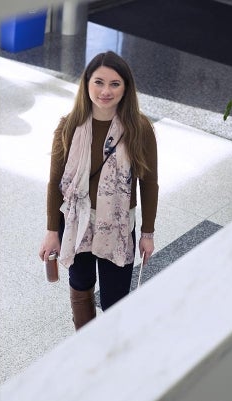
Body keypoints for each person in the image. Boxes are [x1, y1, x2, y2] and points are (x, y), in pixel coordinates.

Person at [38, 51, 159, 331]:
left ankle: (110, 349)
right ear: (87, 83)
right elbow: (55, 182)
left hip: (117, 226)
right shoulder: (69, 127)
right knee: (80, 286)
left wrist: (147, 234)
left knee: (115, 297)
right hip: (77, 221)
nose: (106, 91)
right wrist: (51, 231)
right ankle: (85, 344)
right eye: (99, 82)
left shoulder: (139, 128)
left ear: (126, 88)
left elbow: (149, 183)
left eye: (115, 84)